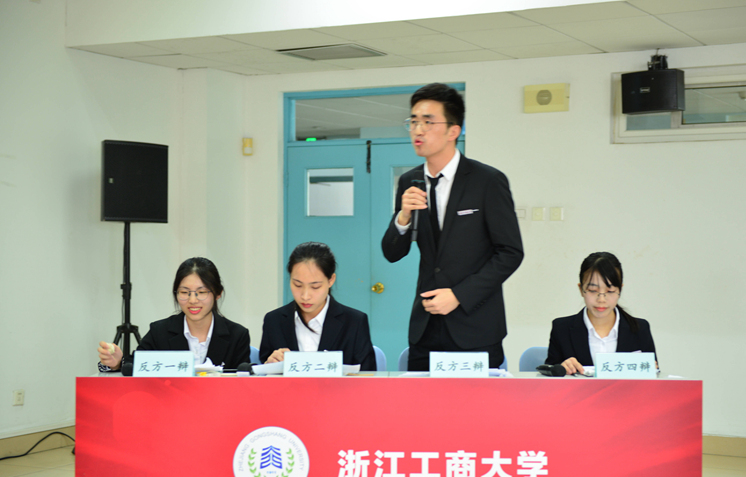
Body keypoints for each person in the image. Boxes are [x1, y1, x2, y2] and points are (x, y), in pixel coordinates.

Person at [382, 83, 524, 371]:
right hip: (425, 328)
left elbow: (510, 252)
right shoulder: (409, 181)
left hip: (475, 326)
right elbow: (392, 253)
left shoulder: (487, 181)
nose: (418, 130)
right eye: (413, 121)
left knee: (475, 402)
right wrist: (403, 217)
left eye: (428, 122)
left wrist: (459, 296)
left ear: (453, 131)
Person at [97, 257, 251, 372]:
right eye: (184, 292)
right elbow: (135, 365)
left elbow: (244, 381)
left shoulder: (237, 335)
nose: (192, 300)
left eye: (201, 292)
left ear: (218, 294)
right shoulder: (160, 331)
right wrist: (117, 363)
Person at [259, 242, 376, 371]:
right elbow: (262, 373)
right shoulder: (274, 321)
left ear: (331, 280)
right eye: (298, 285)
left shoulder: (354, 322)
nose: (305, 296)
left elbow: (367, 375)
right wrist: (270, 365)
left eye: (315, 287)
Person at [545, 252, 657, 375]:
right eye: (593, 290)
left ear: (620, 290)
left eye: (610, 291)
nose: (601, 299)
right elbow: (548, 374)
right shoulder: (561, 329)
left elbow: (653, 376)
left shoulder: (640, 329)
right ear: (581, 289)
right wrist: (560, 368)